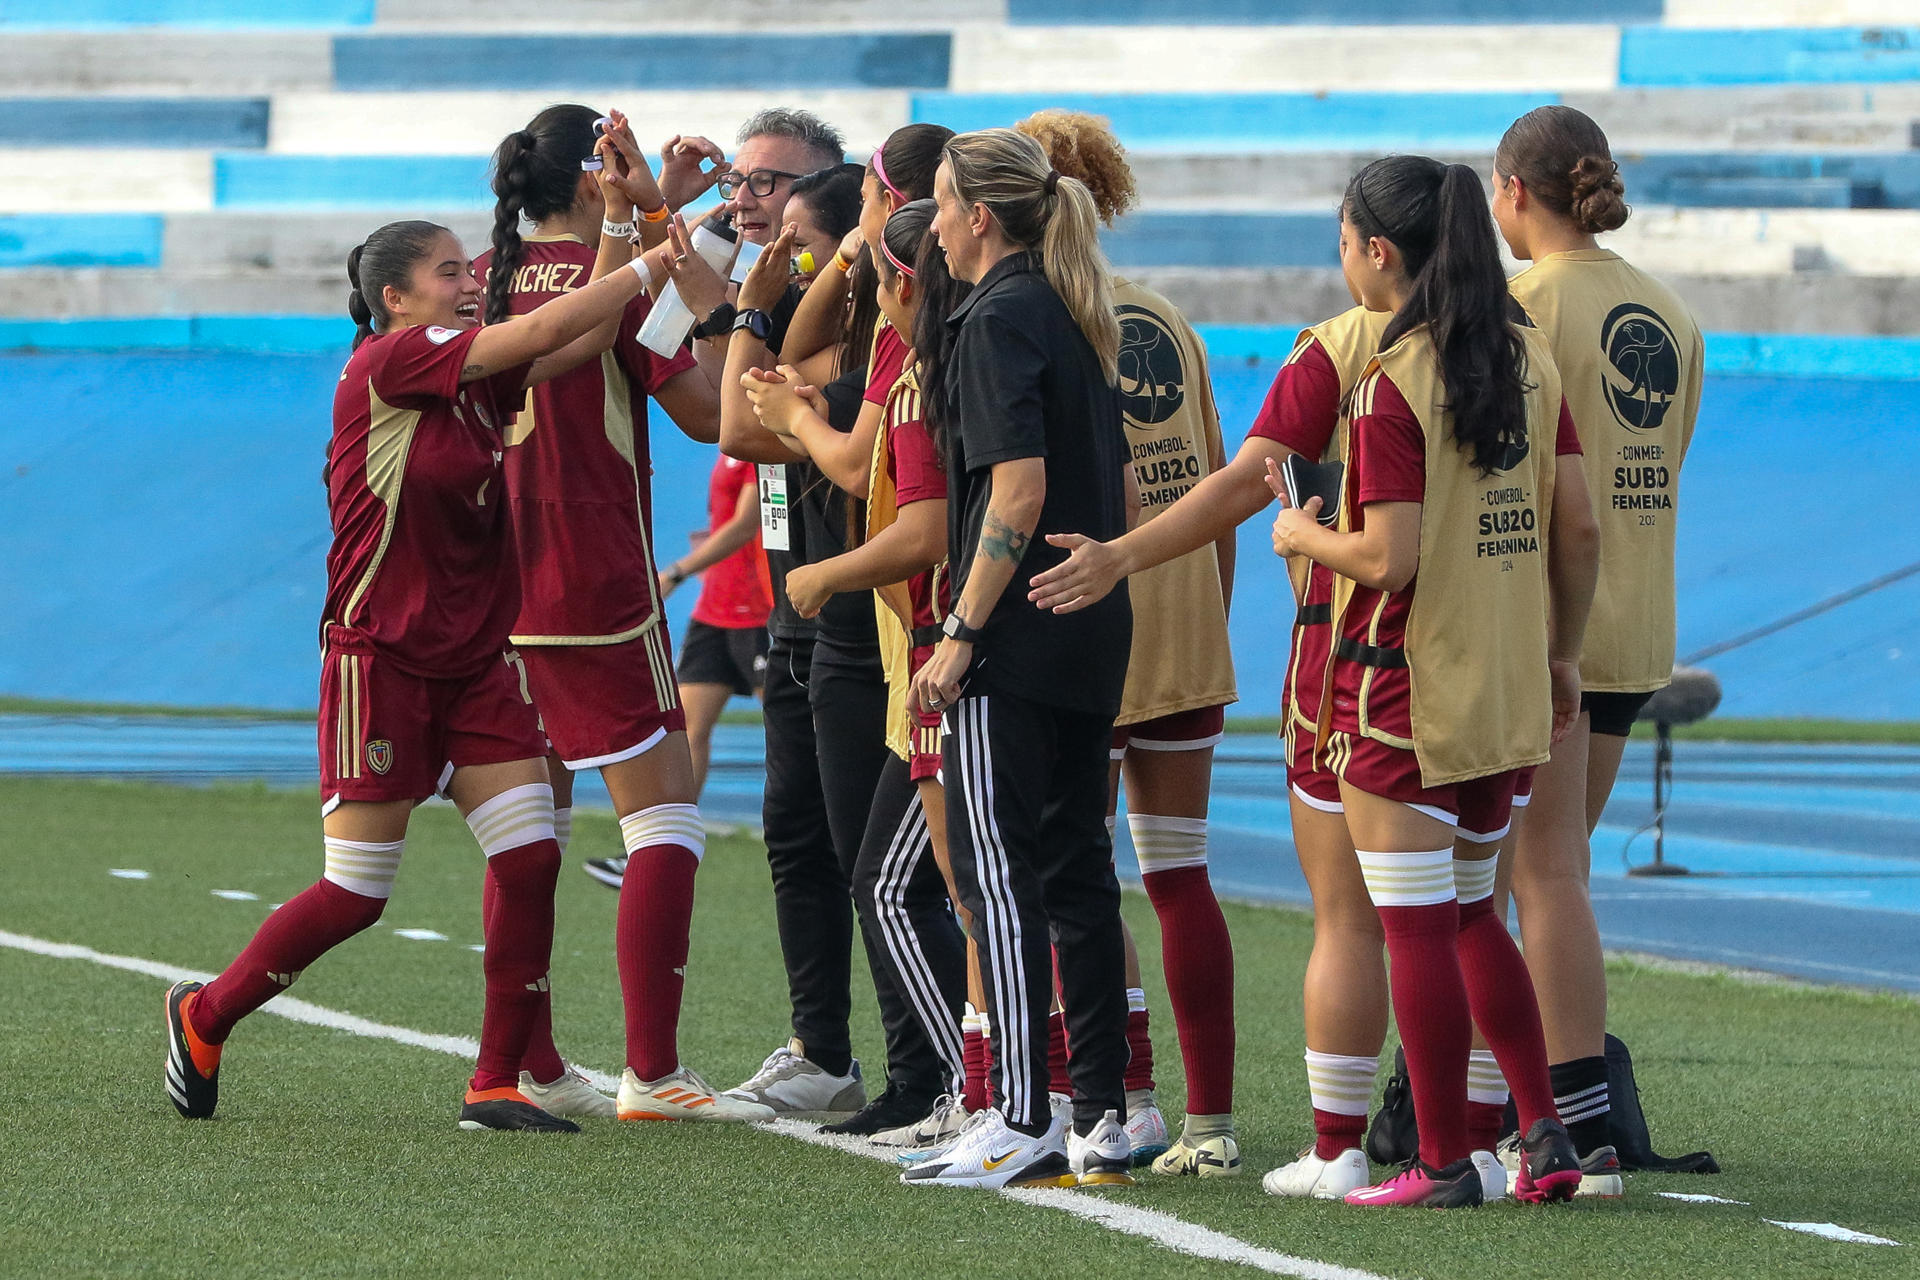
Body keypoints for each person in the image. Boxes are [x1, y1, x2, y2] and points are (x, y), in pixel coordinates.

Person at [161, 154, 681, 1133]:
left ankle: (495, 1081)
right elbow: (545, 328)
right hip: (381, 658)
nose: (469, 275)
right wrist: (655, 259)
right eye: (448, 271)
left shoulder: (475, 368)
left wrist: (624, 224)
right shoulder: (391, 362)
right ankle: (205, 1011)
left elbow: (577, 341)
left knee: (530, 855)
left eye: (464, 264)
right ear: (396, 298)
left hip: (476, 661)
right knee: (358, 891)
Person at [1268, 155, 1598, 1207]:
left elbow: (1388, 557)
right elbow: (1578, 526)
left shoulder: (1390, 381)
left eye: (1342, 237)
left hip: (1404, 688)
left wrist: (1299, 531)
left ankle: (1443, 1159)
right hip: (1506, 684)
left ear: (1378, 250)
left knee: (1418, 928)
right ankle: (1542, 1138)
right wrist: (1561, 650)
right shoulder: (1530, 360)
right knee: (1472, 918)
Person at [473, 106, 771, 1124]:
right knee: (665, 819)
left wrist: (659, 209)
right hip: (591, 579)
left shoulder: (475, 278)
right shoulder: (620, 279)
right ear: (596, 174)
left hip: (486, 585)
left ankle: (528, 1058)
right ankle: (655, 1069)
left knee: (528, 827)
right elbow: (700, 412)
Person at [900, 128, 1135, 1191]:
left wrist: (959, 633)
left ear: (979, 215)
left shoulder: (996, 315)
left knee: (1000, 870)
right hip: (1087, 620)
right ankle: (1099, 1107)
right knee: (1080, 864)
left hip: (1018, 629)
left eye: (942, 206)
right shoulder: (1071, 308)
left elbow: (1019, 490)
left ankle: (1023, 1111)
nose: (933, 225)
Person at [716, 137, 959, 1131]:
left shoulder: (912, 334)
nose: (807, 261)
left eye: (824, 237)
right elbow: (751, 397)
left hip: (893, 632)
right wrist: (763, 297)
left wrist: (821, 271)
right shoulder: (883, 332)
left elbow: (747, 419)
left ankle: (956, 1077)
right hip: (868, 631)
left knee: (910, 875)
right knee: (915, 868)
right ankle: (958, 1076)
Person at [1014, 107, 1236, 1177]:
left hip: (1076, 617)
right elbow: (1221, 485)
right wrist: (1209, 618)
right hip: (1185, 618)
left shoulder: (1035, 315)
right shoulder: (1171, 322)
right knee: (1180, 876)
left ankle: (1118, 1091)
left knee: (1072, 877)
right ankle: (1214, 1115)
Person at [1490, 104, 1705, 1185]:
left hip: (1546, 627)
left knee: (1534, 873)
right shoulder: (1669, 312)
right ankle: (1521, 1098)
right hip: (1637, 622)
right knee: (1547, 869)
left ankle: (1561, 1113)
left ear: (1514, 193)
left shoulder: (1520, 303)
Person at [658, 454, 771, 807]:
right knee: (688, 728)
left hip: (758, 610)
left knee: (788, 730)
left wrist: (677, 572)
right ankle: (669, 845)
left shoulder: (759, 443)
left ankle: (820, 843)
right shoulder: (729, 445)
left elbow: (745, 525)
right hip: (714, 607)